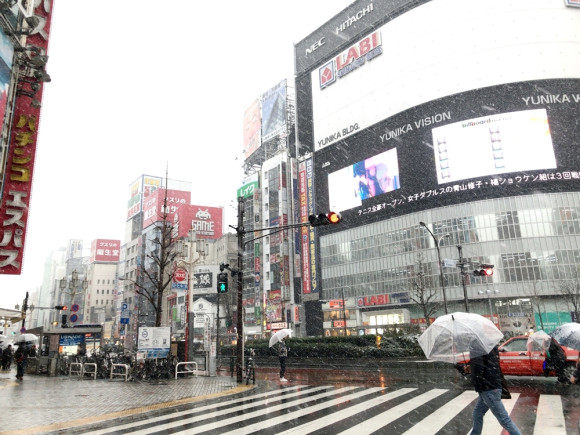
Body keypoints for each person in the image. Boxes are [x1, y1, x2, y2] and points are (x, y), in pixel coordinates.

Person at [469, 345, 521, 435]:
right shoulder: (489, 345)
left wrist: (472, 376)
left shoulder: (476, 346)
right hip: (492, 385)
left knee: (504, 419)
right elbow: (485, 364)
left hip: (488, 388)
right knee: (477, 413)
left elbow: (478, 368)